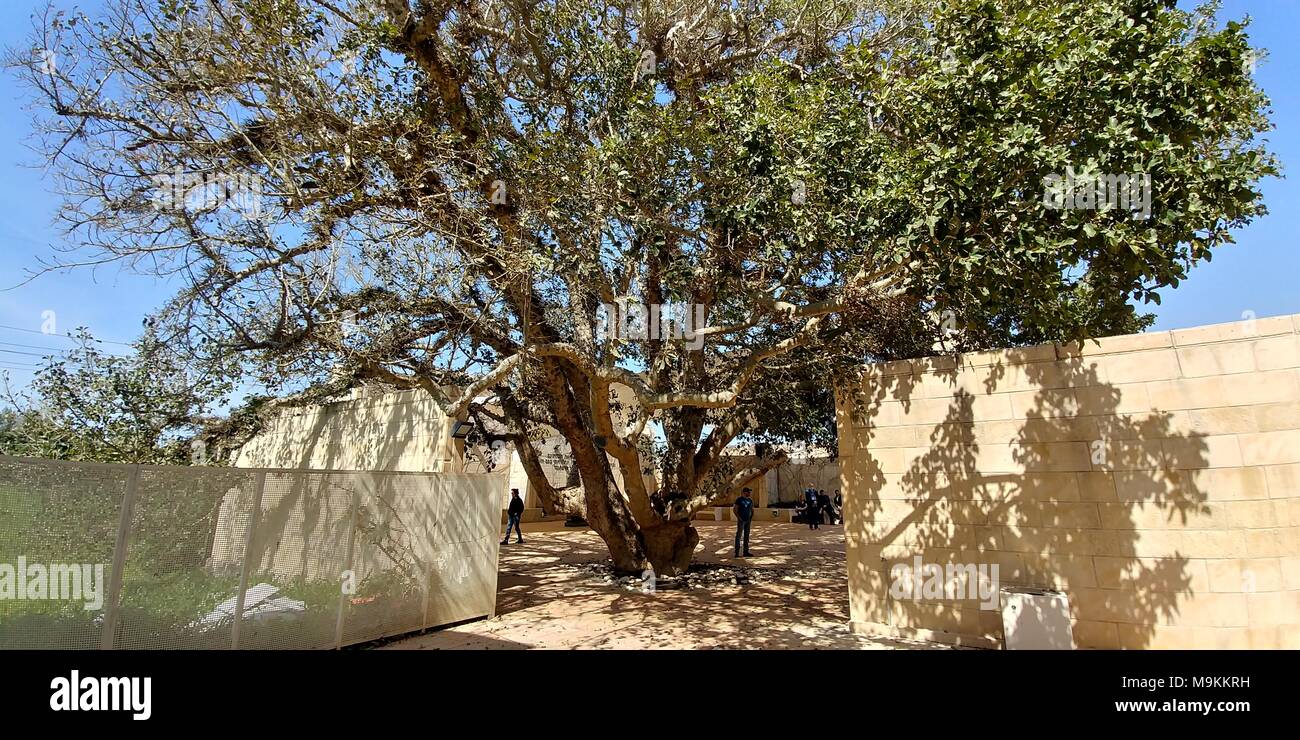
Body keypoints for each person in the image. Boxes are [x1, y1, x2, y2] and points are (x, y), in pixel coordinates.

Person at [733, 487, 755, 557]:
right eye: (748, 492)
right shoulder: (739, 500)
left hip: (748, 520)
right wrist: (739, 518)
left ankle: (746, 551)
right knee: (739, 535)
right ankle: (737, 552)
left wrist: (750, 518)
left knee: (746, 536)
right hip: (741, 520)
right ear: (744, 492)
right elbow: (735, 509)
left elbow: (752, 509)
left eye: (749, 492)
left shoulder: (750, 500)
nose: (749, 493)